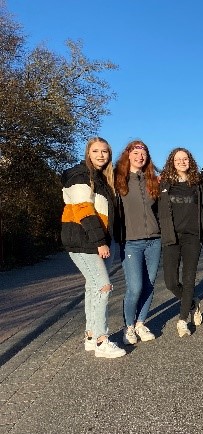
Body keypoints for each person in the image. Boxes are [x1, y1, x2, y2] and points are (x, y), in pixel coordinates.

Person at [61, 137, 125, 358]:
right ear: (88, 153)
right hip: (83, 240)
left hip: (100, 240)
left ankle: (90, 336)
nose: (100, 155)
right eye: (96, 151)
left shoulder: (102, 179)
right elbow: (84, 211)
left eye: (105, 152)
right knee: (103, 287)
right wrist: (99, 242)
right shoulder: (79, 176)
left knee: (92, 287)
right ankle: (101, 340)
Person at [114, 140, 161, 344]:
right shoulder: (118, 179)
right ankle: (129, 327)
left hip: (154, 240)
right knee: (135, 287)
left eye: (143, 153)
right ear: (128, 155)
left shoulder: (152, 180)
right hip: (131, 242)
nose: (140, 156)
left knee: (149, 285)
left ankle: (141, 323)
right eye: (135, 152)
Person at [158, 148, 203, 337]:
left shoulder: (199, 183)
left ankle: (183, 319)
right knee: (170, 282)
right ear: (172, 162)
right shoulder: (165, 184)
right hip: (172, 237)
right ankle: (192, 302)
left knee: (189, 278)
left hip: (192, 237)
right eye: (178, 159)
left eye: (185, 159)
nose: (182, 162)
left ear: (190, 161)